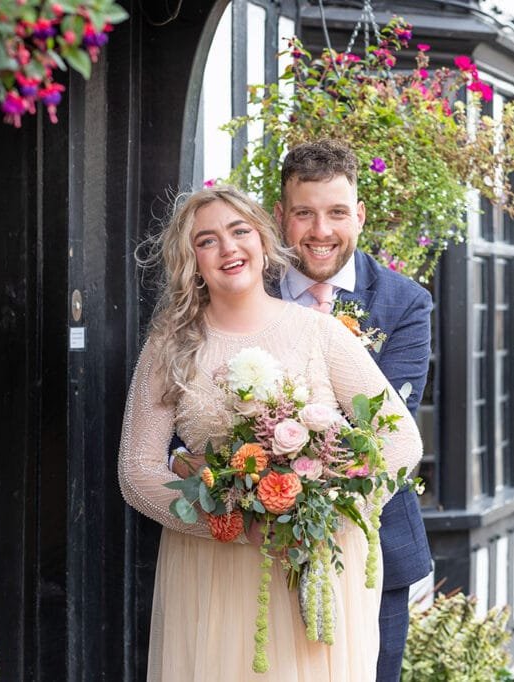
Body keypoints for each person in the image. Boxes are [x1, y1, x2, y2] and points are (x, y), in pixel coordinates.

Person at [118, 184, 423, 681]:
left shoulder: (318, 332)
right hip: (212, 572)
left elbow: (400, 440)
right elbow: (136, 471)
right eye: (207, 240)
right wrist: (235, 526)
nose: (229, 248)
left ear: (264, 240)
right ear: (191, 260)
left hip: (313, 564)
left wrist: (334, 512)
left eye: (240, 231)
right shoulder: (169, 347)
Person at [273, 140, 434, 682]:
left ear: (359, 216)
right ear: (280, 216)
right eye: (305, 213)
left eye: (337, 212)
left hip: (375, 551)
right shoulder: (247, 293)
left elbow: (385, 429)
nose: (322, 230)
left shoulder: (403, 302)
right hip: (255, 551)